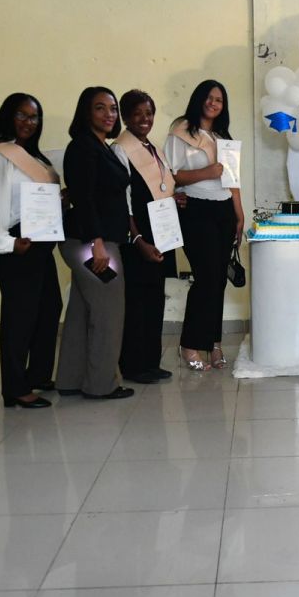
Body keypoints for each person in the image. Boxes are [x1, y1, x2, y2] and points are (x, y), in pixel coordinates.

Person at [0, 93, 62, 410]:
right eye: (22, 115)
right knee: (20, 315)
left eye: (34, 117)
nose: (29, 122)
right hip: (17, 241)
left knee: (49, 307)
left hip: (40, 239)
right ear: (8, 116)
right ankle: (14, 388)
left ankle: (38, 374)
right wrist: (6, 242)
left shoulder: (35, 157)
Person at [55, 87, 135, 400]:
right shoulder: (82, 147)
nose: (109, 114)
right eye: (100, 108)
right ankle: (102, 385)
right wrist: (97, 244)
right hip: (91, 243)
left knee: (81, 312)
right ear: (86, 112)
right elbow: (84, 198)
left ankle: (70, 379)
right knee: (108, 314)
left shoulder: (99, 146)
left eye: (112, 108)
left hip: (92, 240)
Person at [164, 80, 245, 371]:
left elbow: (232, 180)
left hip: (224, 209)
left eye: (219, 100)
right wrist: (207, 172)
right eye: (209, 97)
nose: (213, 103)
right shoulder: (181, 132)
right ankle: (189, 344)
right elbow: (172, 176)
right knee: (206, 278)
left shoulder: (222, 136)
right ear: (199, 99)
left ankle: (213, 342)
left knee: (218, 280)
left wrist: (239, 214)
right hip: (196, 210)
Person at [111, 89, 176, 385]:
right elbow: (123, 200)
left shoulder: (153, 148)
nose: (144, 119)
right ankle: (133, 365)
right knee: (137, 301)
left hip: (161, 229)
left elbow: (163, 185)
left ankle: (151, 361)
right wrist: (137, 238)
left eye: (148, 113)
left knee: (155, 298)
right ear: (126, 117)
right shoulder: (121, 149)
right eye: (137, 114)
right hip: (139, 235)